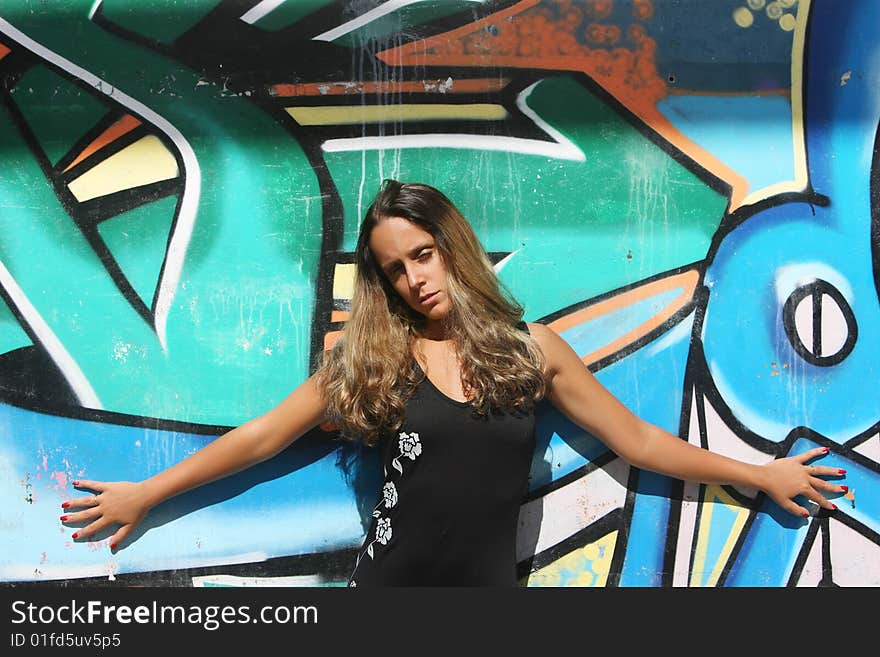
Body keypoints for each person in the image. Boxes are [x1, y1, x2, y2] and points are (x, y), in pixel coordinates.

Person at [61, 179, 845, 586]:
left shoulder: (532, 351)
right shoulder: (373, 364)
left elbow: (638, 440)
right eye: (395, 269)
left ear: (450, 245)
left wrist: (759, 472)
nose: (413, 278)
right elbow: (263, 437)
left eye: (423, 254)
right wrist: (146, 493)